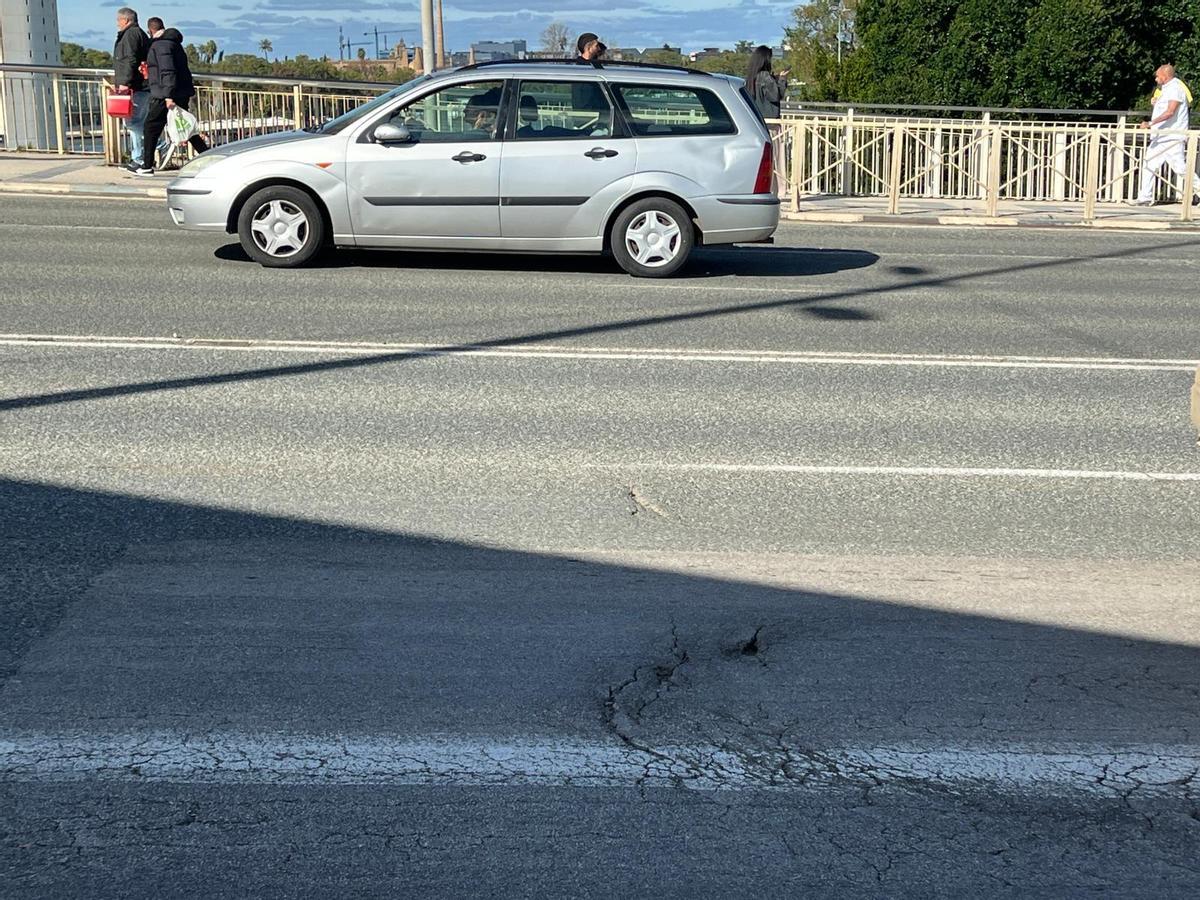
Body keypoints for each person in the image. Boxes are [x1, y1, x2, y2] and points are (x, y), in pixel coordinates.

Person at [132, 18, 209, 176]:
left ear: (150, 31)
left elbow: (167, 71)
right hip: (179, 92)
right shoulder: (173, 43)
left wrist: (168, 96)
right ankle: (209, 158)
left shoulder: (160, 45)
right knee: (186, 128)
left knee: (151, 127)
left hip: (166, 95)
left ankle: (147, 165)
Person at [1133, 64, 1200, 206]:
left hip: (1172, 136)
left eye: (1158, 76)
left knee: (1180, 168)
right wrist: (1155, 103)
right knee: (1149, 164)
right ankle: (1145, 197)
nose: (1156, 79)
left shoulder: (1175, 88)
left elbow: (1170, 112)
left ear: (1165, 75)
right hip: (1160, 136)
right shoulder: (1166, 89)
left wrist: (1150, 123)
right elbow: (1164, 108)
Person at [113, 7, 149, 169]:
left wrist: (124, 83)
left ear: (125, 20)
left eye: (118, 20)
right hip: (139, 85)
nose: (117, 23)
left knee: (133, 122)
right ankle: (139, 156)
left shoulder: (130, 35)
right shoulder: (137, 34)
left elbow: (130, 60)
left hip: (136, 86)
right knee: (137, 122)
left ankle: (150, 149)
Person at [746, 45, 788, 124]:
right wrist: (782, 79)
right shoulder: (765, 76)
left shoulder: (752, 76)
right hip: (769, 121)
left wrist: (774, 79)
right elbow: (775, 96)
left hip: (756, 119)